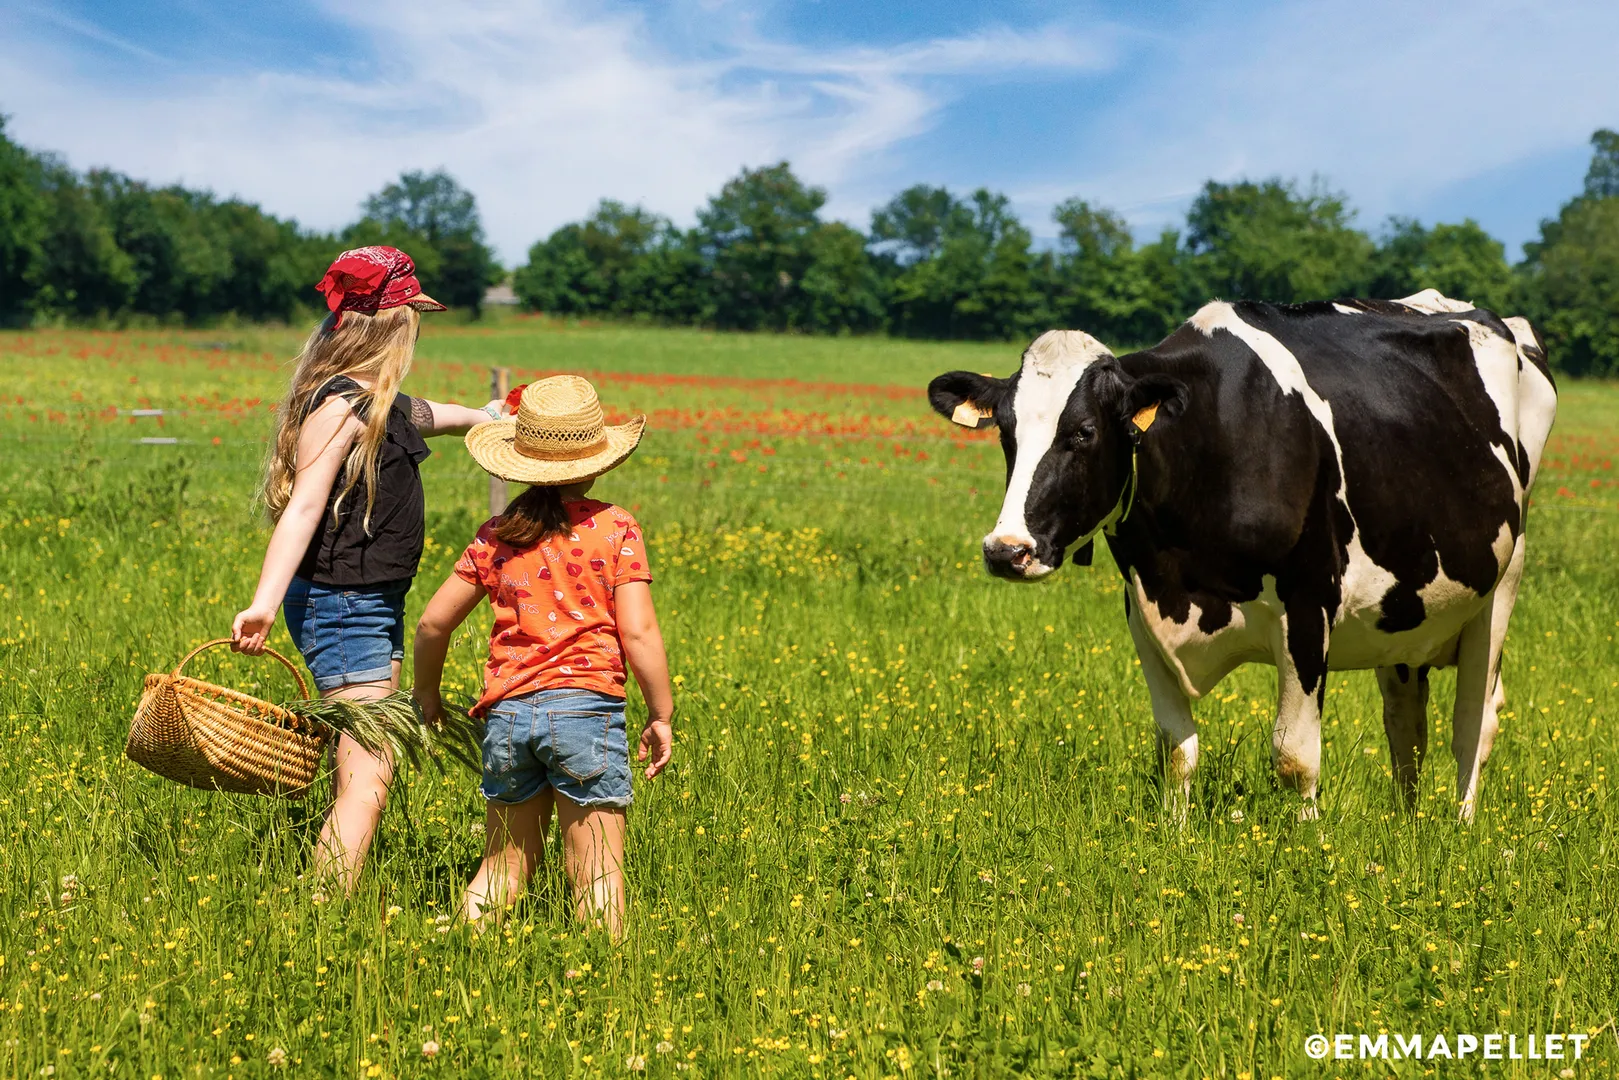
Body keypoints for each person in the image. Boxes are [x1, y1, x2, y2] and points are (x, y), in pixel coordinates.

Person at [231, 246, 501, 894]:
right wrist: (264, 603)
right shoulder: (339, 407)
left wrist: (492, 420)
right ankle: (321, 923)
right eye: (411, 319)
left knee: (360, 762)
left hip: (372, 602)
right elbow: (302, 508)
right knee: (370, 776)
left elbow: (432, 415)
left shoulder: (378, 403)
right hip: (343, 606)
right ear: (389, 328)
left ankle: (330, 885)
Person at [412, 375, 674, 937]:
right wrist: (661, 714)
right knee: (598, 874)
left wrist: (426, 695)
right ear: (597, 461)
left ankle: (449, 953)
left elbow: (434, 622)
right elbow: (641, 632)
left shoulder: (498, 534)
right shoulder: (616, 526)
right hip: (586, 711)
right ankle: (602, 981)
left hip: (508, 718)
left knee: (503, 869)